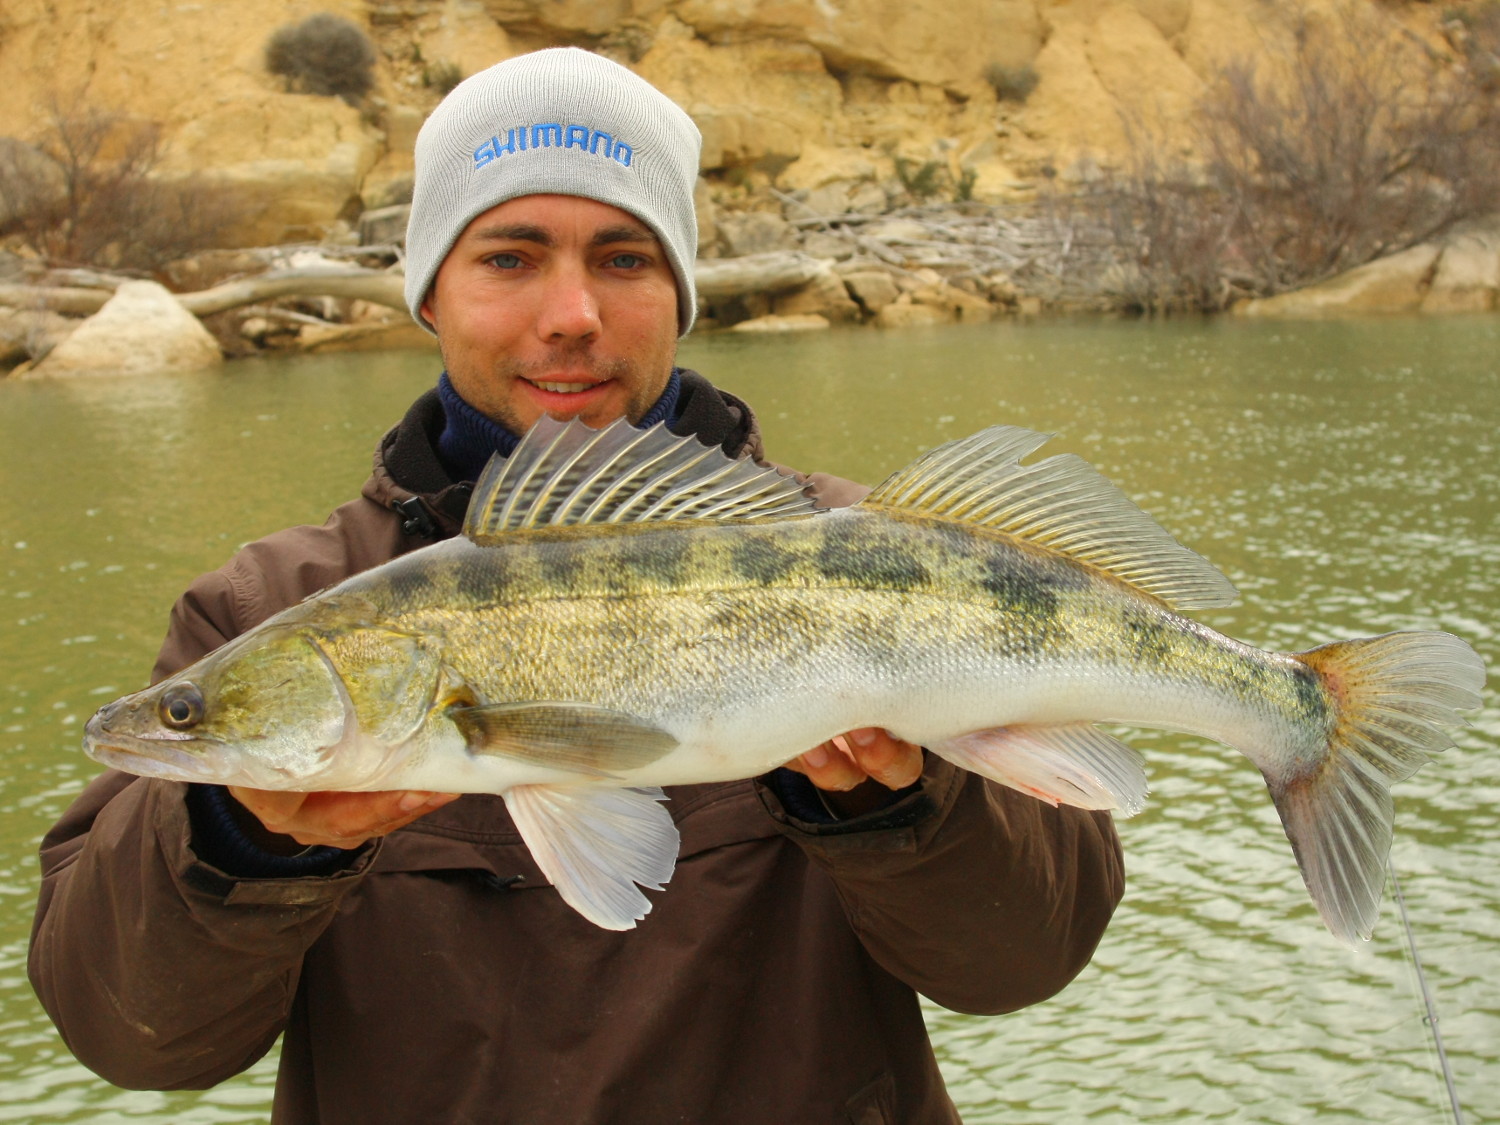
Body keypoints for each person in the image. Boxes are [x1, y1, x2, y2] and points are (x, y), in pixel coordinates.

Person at [29, 49, 1124, 1124]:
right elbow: (133, 1038)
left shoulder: (870, 551)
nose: (572, 316)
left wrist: (899, 806)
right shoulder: (264, 605)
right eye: (509, 259)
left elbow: (1019, 963)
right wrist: (240, 838)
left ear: (681, 294)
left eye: (623, 258)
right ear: (429, 296)